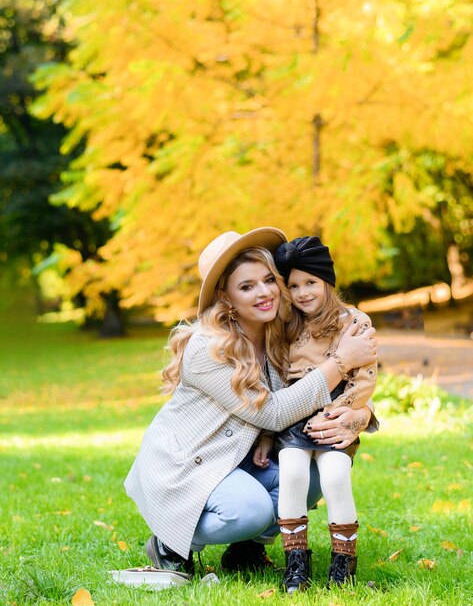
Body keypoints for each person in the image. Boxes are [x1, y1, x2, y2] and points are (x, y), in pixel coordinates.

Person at [124, 228, 378, 577]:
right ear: (225, 298)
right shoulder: (207, 348)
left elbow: (308, 390)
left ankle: (246, 550)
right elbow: (273, 412)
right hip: (192, 465)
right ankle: (171, 540)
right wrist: (340, 362)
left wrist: (360, 413)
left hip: (241, 456)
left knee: (314, 473)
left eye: (268, 280)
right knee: (250, 511)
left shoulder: (280, 331)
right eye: (246, 287)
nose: (264, 293)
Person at [253, 236, 377, 592]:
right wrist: (267, 434)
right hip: (295, 408)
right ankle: (296, 564)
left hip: (337, 412)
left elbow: (365, 377)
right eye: (293, 285)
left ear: (327, 281)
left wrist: (342, 414)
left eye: (311, 282)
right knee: (292, 472)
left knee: (335, 475)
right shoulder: (285, 326)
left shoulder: (352, 320)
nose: (303, 292)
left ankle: (343, 564)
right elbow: (276, 382)